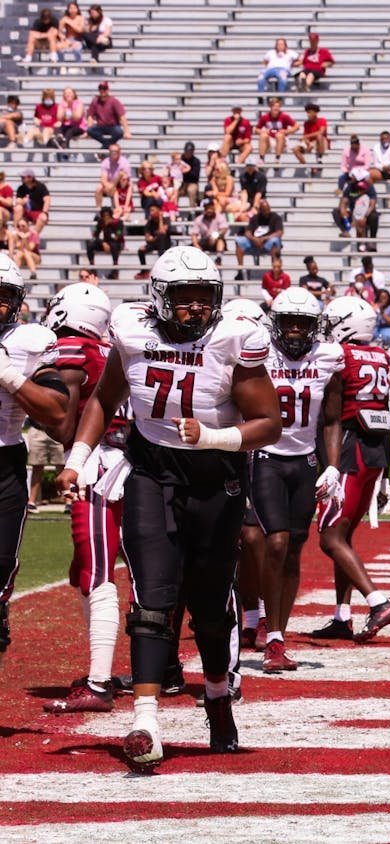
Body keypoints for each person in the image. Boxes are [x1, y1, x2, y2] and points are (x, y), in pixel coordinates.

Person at [56, 245, 281, 771]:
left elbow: (268, 422)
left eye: (205, 298)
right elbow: (103, 398)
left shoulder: (233, 336)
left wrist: (215, 436)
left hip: (216, 481)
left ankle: (219, 696)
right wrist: (77, 461)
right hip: (153, 472)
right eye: (184, 299)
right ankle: (146, 718)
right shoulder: (133, 332)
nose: (196, 309)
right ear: (159, 298)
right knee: (153, 595)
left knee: (207, 604)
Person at [34, 283, 123, 713]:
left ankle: (100, 682)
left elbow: (65, 428)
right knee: (93, 572)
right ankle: (152, 671)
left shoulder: (70, 349)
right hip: (131, 467)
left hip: (99, 469)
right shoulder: (108, 350)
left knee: (96, 573)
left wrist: (28, 402)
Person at [248, 288, 344, 674]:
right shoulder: (259, 354)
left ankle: (278, 636)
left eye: (302, 323)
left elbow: (333, 419)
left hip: (304, 462)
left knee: (292, 551)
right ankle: (269, 633)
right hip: (266, 458)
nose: (294, 330)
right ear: (274, 323)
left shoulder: (328, 358)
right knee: (276, 541)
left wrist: (333, 466)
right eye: (287, 321)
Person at [309, 296, 390, 642]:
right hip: (374, 451)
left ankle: (377, 602)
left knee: (329, 537)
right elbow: (387, 413)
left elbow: (329, 413)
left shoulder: (340, 355)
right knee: (344, 536)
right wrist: (388, 472)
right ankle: (341, 616)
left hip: (347, 448)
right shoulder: (381, 355)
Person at [0, 256, 67, 673]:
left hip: (4, 459)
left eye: (1, 297)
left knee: (0, 564)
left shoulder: (28, 341)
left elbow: (56, 412)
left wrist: (7, 373)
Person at [235, 198, 284, 273]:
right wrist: (254, 239)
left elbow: (279, 232)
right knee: (239, 241)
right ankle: (240, 271)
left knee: (275, 241)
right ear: (260, 210)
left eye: (268, 209)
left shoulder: (276, 218)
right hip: (254, 243)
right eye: (264, 210)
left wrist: (264, 239)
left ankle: (275, 269)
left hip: (268, 243)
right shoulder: (254, 218)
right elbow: (247, 232)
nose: (267, 212)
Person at [85, 205, 125, 276]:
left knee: (114, 245)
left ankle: (115, 269)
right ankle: (92, 268)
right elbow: (95, 235)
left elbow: (118, 236)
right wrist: (102, 242)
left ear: (110, 214)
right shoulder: (101, 222)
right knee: (90, 244)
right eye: (104, 215)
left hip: (117, 243)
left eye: (107, 215)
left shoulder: (118, 222)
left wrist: (110, 225)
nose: (106, 217)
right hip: (105, 243)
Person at [255, 97, 296, 166]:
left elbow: (296, 126)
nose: (276, 108)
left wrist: (286, 131)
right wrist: (263, 132)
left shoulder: (284, 116)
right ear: (270, 107)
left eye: (278, 106)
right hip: (270, 140)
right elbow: (256, 129)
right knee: (263, 135)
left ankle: (277, 159)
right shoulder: (265, 117)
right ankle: (261, 159)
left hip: (281, 140)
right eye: (274, 106)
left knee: (279, 135)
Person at [292, 104, 329, 173]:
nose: (308, 114)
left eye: (309, 112)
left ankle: (319, 159)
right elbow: (305, 136)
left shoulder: (322, 120)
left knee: (319, 136)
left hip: (321, 142)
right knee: (295, 149)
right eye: (307, 112)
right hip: (311, 142)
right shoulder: (306, 123)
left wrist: (306, 137)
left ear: (315, 112)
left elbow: (321, 132)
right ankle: (306, 166)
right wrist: (307, 142)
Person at [93, 143, 131, 209]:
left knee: (116, 190)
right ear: (109, 152)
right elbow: (103, 179)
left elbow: (125, 182)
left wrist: (114, 186)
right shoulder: (105, 162)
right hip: (109, 185)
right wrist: (109, 186)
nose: (113, 153)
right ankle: (98, 210)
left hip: (120, 185)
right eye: (112, 151)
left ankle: (117, 209)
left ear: (119, 152)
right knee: (99, 188)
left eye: (115, 151)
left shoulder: (125, 163)